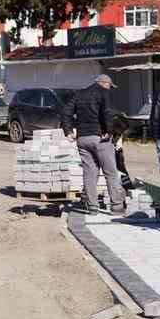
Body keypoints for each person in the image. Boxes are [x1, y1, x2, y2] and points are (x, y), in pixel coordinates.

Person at [62, 73, 126, 214]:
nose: (109, 89)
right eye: (109, 86)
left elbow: (66, 111)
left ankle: (92, 207)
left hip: (82, 138)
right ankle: (117, 206)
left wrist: (68, 131)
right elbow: (108, 112)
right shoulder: (104, 93)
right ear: (105, 83)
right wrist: (109, 131)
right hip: (100, 138)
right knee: (110, 172)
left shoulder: (79, 94)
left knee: (90, 173)